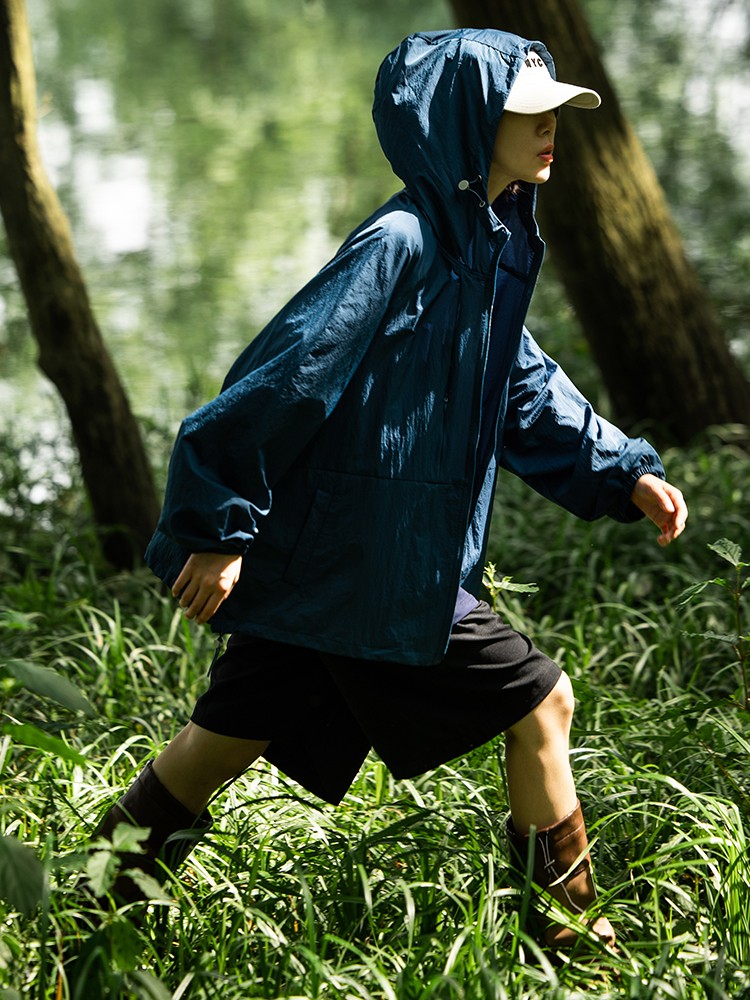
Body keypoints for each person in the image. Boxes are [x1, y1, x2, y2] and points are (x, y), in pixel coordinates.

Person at [94, 29, 687, 949]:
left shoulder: (486, 244)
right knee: (543, 701)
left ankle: (89, 913)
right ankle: (568, 937)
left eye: (552, 113)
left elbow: (519, 382)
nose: (550, 131)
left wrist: (623, 470)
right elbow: (286, 377)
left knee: (228, 736)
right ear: (468, 121)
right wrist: (218, 527)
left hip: (343, 563)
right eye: (529, 114)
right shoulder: (402, 242)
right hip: (369, 559)